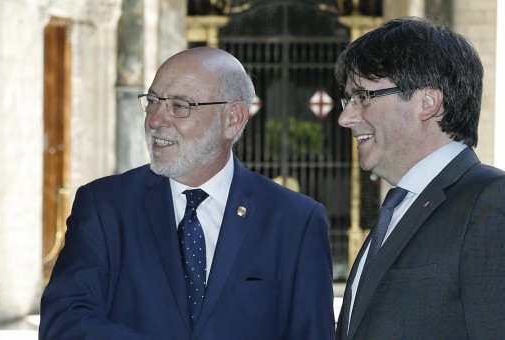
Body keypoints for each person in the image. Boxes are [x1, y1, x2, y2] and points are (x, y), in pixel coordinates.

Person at [40, 47, 335, 339]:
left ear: (232, 119)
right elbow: (64, 321)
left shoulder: (294, 220)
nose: (155, 120)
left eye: (179, 106)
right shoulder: (105, 206)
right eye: (153, 101)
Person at [335, 17, 505, 339]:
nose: (345, 117)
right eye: (348, 99)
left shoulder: (493, 204)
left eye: (364, 97)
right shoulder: (401, 205)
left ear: (428, 102)